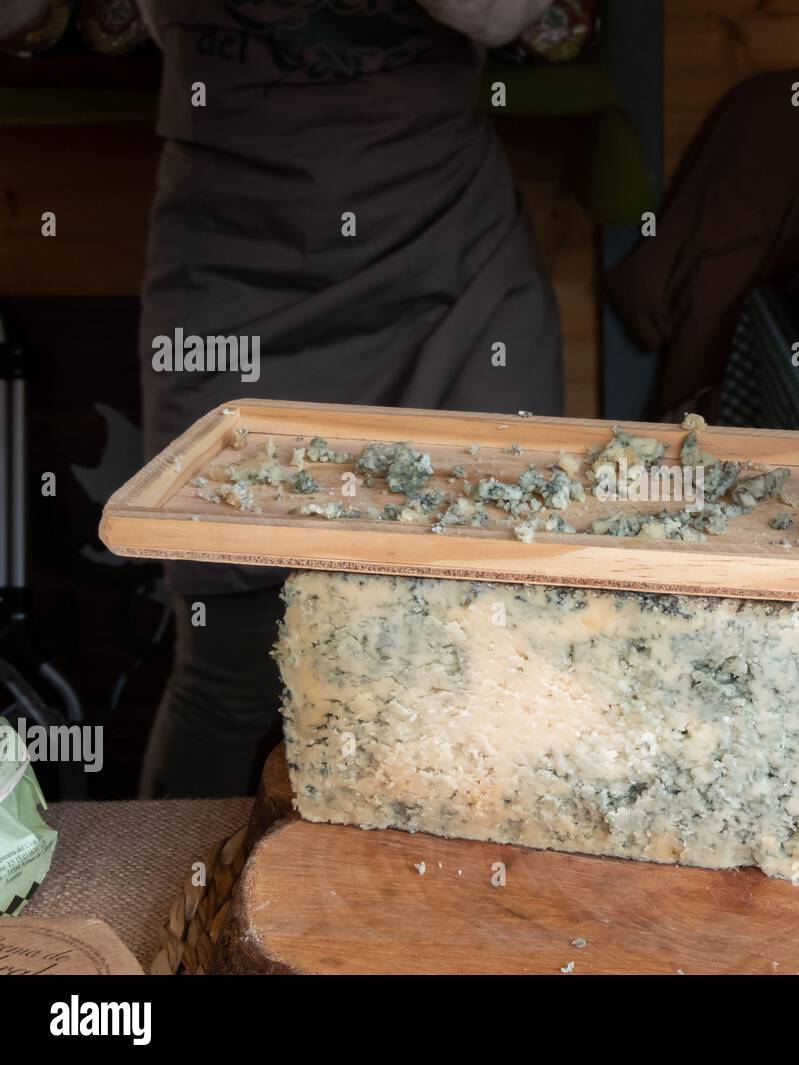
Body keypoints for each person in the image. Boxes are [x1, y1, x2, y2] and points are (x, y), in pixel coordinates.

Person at [128, 0, 562, 797]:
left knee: (485, 632)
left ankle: (440, 912)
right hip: (234, 259)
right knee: (232, 666)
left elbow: (502, 15)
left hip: (441, 258)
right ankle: (171, 918)